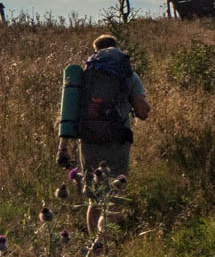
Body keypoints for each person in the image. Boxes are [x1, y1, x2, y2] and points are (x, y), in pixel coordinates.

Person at [57, 33, 151, 180]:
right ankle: (113, 203)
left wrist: (62, 148)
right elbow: (142, 112)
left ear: (95, 51)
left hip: (89, 138)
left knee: (92, 188)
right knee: (115, 186)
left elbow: (69, 110)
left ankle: (94, 203)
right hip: (118, 139)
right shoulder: (130, 76)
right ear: (116, 48)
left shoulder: (84, 76)